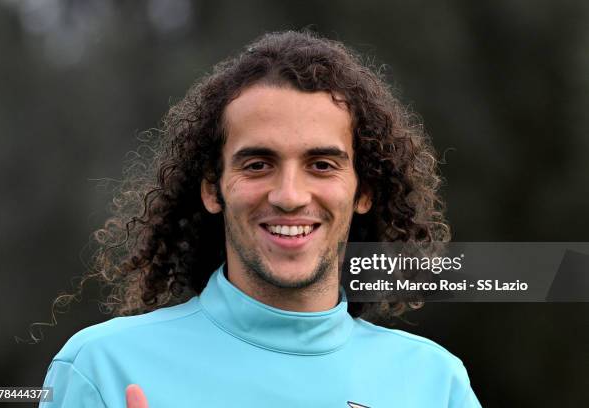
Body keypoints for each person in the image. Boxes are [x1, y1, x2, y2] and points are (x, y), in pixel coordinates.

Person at [40, 30, 481, 407]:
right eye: (257, 165)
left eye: (321, 165)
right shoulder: (101, 368)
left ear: (363, 191)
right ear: (212, 188)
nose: (289, 196)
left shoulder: (435, 384)